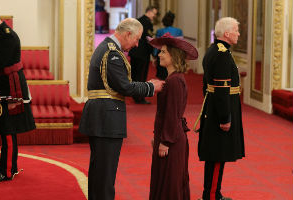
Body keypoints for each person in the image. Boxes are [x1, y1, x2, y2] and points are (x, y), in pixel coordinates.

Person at [78, 18, 164, 200]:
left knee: (100, 171)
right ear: (128, 34)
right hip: (106, 118)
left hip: (102, 115)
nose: (136, 44)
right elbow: (125, 87)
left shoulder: (108, 48)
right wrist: (150, 87)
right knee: (105, 174)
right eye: (137, 39)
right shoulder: (112, 54)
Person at [194, 17, 245, 200]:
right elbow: (222, 90)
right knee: (217, 155)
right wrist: (225, 118)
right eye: (236, 30)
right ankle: (212, 196)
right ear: (227, 33)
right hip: (220, 112)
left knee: (216, 155)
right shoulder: (222, 54)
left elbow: (206, 85)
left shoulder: (214, 50)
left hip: (212, 108)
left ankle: (214, 193)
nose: (239, 33)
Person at [148, 33, 198, 200]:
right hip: (170, 137)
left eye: (163, 52)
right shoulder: (172, 78)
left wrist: (165, 141)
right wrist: (158, 136)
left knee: (170, 184)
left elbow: (172, 114)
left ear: (173, 56)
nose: (159, 55)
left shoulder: (174, 81)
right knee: (166, 181)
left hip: (172, 140)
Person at [0, 8, 36, 182]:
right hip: (1, 86)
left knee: (8, 129)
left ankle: (7, 171)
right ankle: (10, 167)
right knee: (5, 129)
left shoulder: (7, 35)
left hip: (10, 87)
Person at [129, 6, 158, 104]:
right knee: (141, 77)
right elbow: (149, 40)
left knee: (134, 74)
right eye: (154, 13)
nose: (154, 16)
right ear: (149, 12)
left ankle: (133, 93)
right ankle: (139, 97)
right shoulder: (147, 23)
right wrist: (153, 54)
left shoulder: (138, 21)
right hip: (142, 54)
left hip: (134, 51)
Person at [153, 11, 183, 80]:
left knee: (162, 77)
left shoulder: (160, 31)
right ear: (173, 21)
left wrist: (154, 57)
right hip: (174, 55)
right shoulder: (178, 31)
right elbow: (181, 45)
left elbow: (156, 46)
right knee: (173, 75)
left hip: (162, 55)